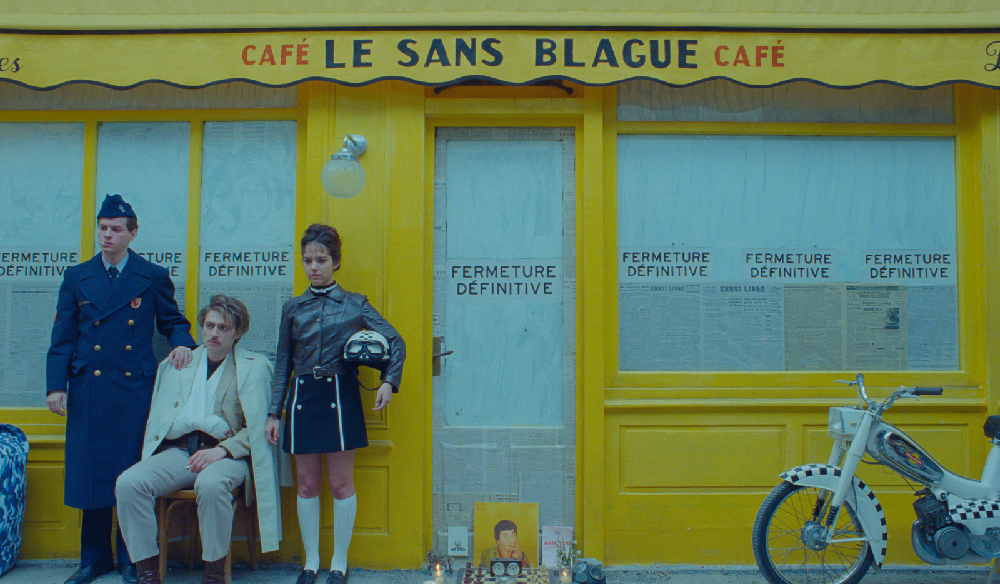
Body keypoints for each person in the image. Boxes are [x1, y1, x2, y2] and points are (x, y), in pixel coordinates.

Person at [46, 194, 195, 584]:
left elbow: (173, 321)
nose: (107, 235)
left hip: (134, 389)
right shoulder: (77, 276)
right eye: (102, 227)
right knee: (91, 473)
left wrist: (182, 342)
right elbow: (61, 338)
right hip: (88, 387)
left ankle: (133, 557)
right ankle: (93, 559)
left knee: (130, 473)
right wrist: (55, 387)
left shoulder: (152, 275)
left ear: (132, 233)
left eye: (115, 229)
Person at [265, 224, 405, 584]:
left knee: (341, 484)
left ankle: (339, 563)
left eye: (322, 259)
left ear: (336, 261)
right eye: (308, 260)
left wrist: (389, 381)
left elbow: (396, 342)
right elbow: (283, 362)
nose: (314, 266)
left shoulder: (355, 304)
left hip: (340, 398)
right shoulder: (292, 308)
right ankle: (310, 562)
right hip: (301, 398)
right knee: (307, 484)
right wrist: (273, 412)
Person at [115, 294, 283, 584]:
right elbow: (162, 421)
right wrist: (195, 423)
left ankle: (215, 575)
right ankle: (147, 573)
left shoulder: (255, 367)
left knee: (211, 483)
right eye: (209, 325)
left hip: (229, 457)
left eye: (223, 328)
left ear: (238, 333)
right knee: (129, 483)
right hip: (181, 451)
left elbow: (258, 429)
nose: (214, 333)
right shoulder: (181, 363)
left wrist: (223, 450)